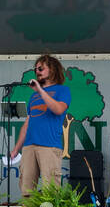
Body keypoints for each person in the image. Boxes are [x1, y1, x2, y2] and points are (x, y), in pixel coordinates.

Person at [8, 54, 71, 197]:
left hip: (49, 145)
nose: (37, 71)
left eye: (41, 68)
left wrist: (40, 91)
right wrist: (16, 149)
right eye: (35, 69)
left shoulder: (62, 90)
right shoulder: (33, 96)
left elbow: (58, 109)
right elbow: (27, 124)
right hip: (29, 146)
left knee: (50, 190)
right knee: (26, 190)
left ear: (52, 70)